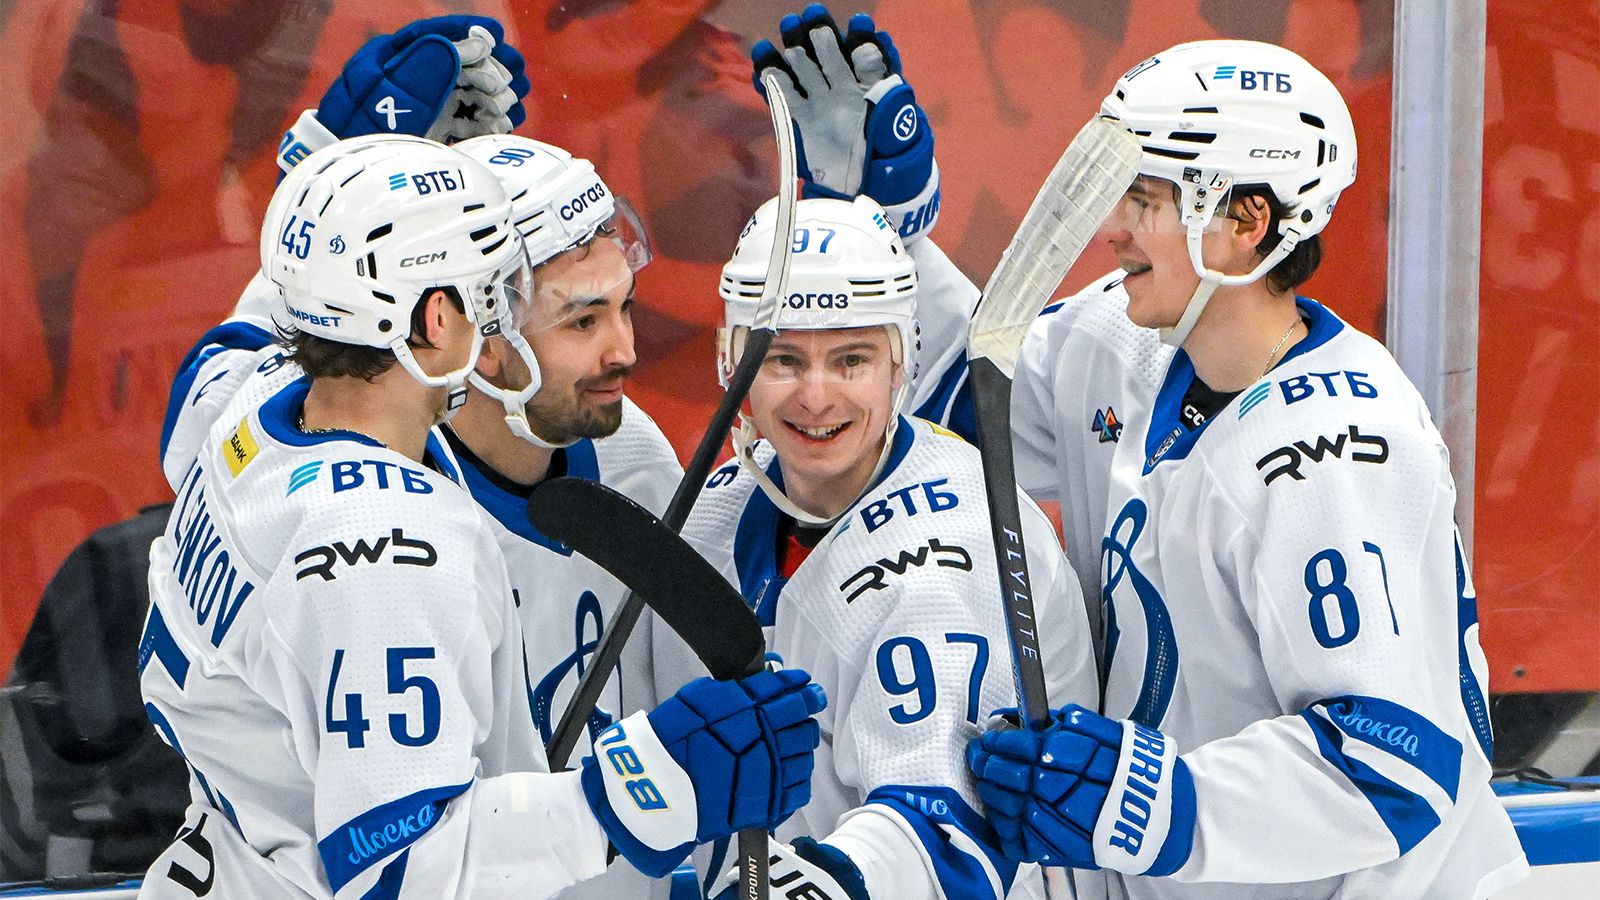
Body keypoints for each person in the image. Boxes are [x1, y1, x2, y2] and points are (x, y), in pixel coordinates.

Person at [137, 135, 825, 899]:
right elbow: (393, 873)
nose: (495, 319)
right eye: (487, 293)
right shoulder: (383, 547)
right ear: (438, 317)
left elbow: (241, 337)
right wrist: (640, 791)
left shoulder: (254, 400)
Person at [963, 40, 1529, 898]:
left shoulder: (1337, 449)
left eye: (1147, 199)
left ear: (1244, 224)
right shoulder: (1129, 340)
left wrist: (1146, 801)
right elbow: (950, 408)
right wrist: (890, 226)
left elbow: (1394, 762)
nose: (1114, 229)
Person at [663, 194, 1095, 900]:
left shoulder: (951, 554)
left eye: (851, 360)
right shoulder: (718, 507)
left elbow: (941, 836)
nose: (816, 397)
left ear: (903, 363)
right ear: (731, 361)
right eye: (783, 359)